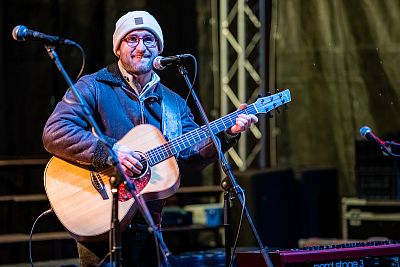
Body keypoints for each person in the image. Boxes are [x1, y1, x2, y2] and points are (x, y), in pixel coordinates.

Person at [42, 10, 258, 267]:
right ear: (118, 48)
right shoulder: (93, 86)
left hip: (150, 224)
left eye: (149, 40)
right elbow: (56, 131)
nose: (141, 47)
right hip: (100, 220)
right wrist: (113, 151)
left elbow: (190, 157)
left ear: (159, 49)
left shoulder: (173, 103)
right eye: (131, 39)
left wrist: (227, 133)